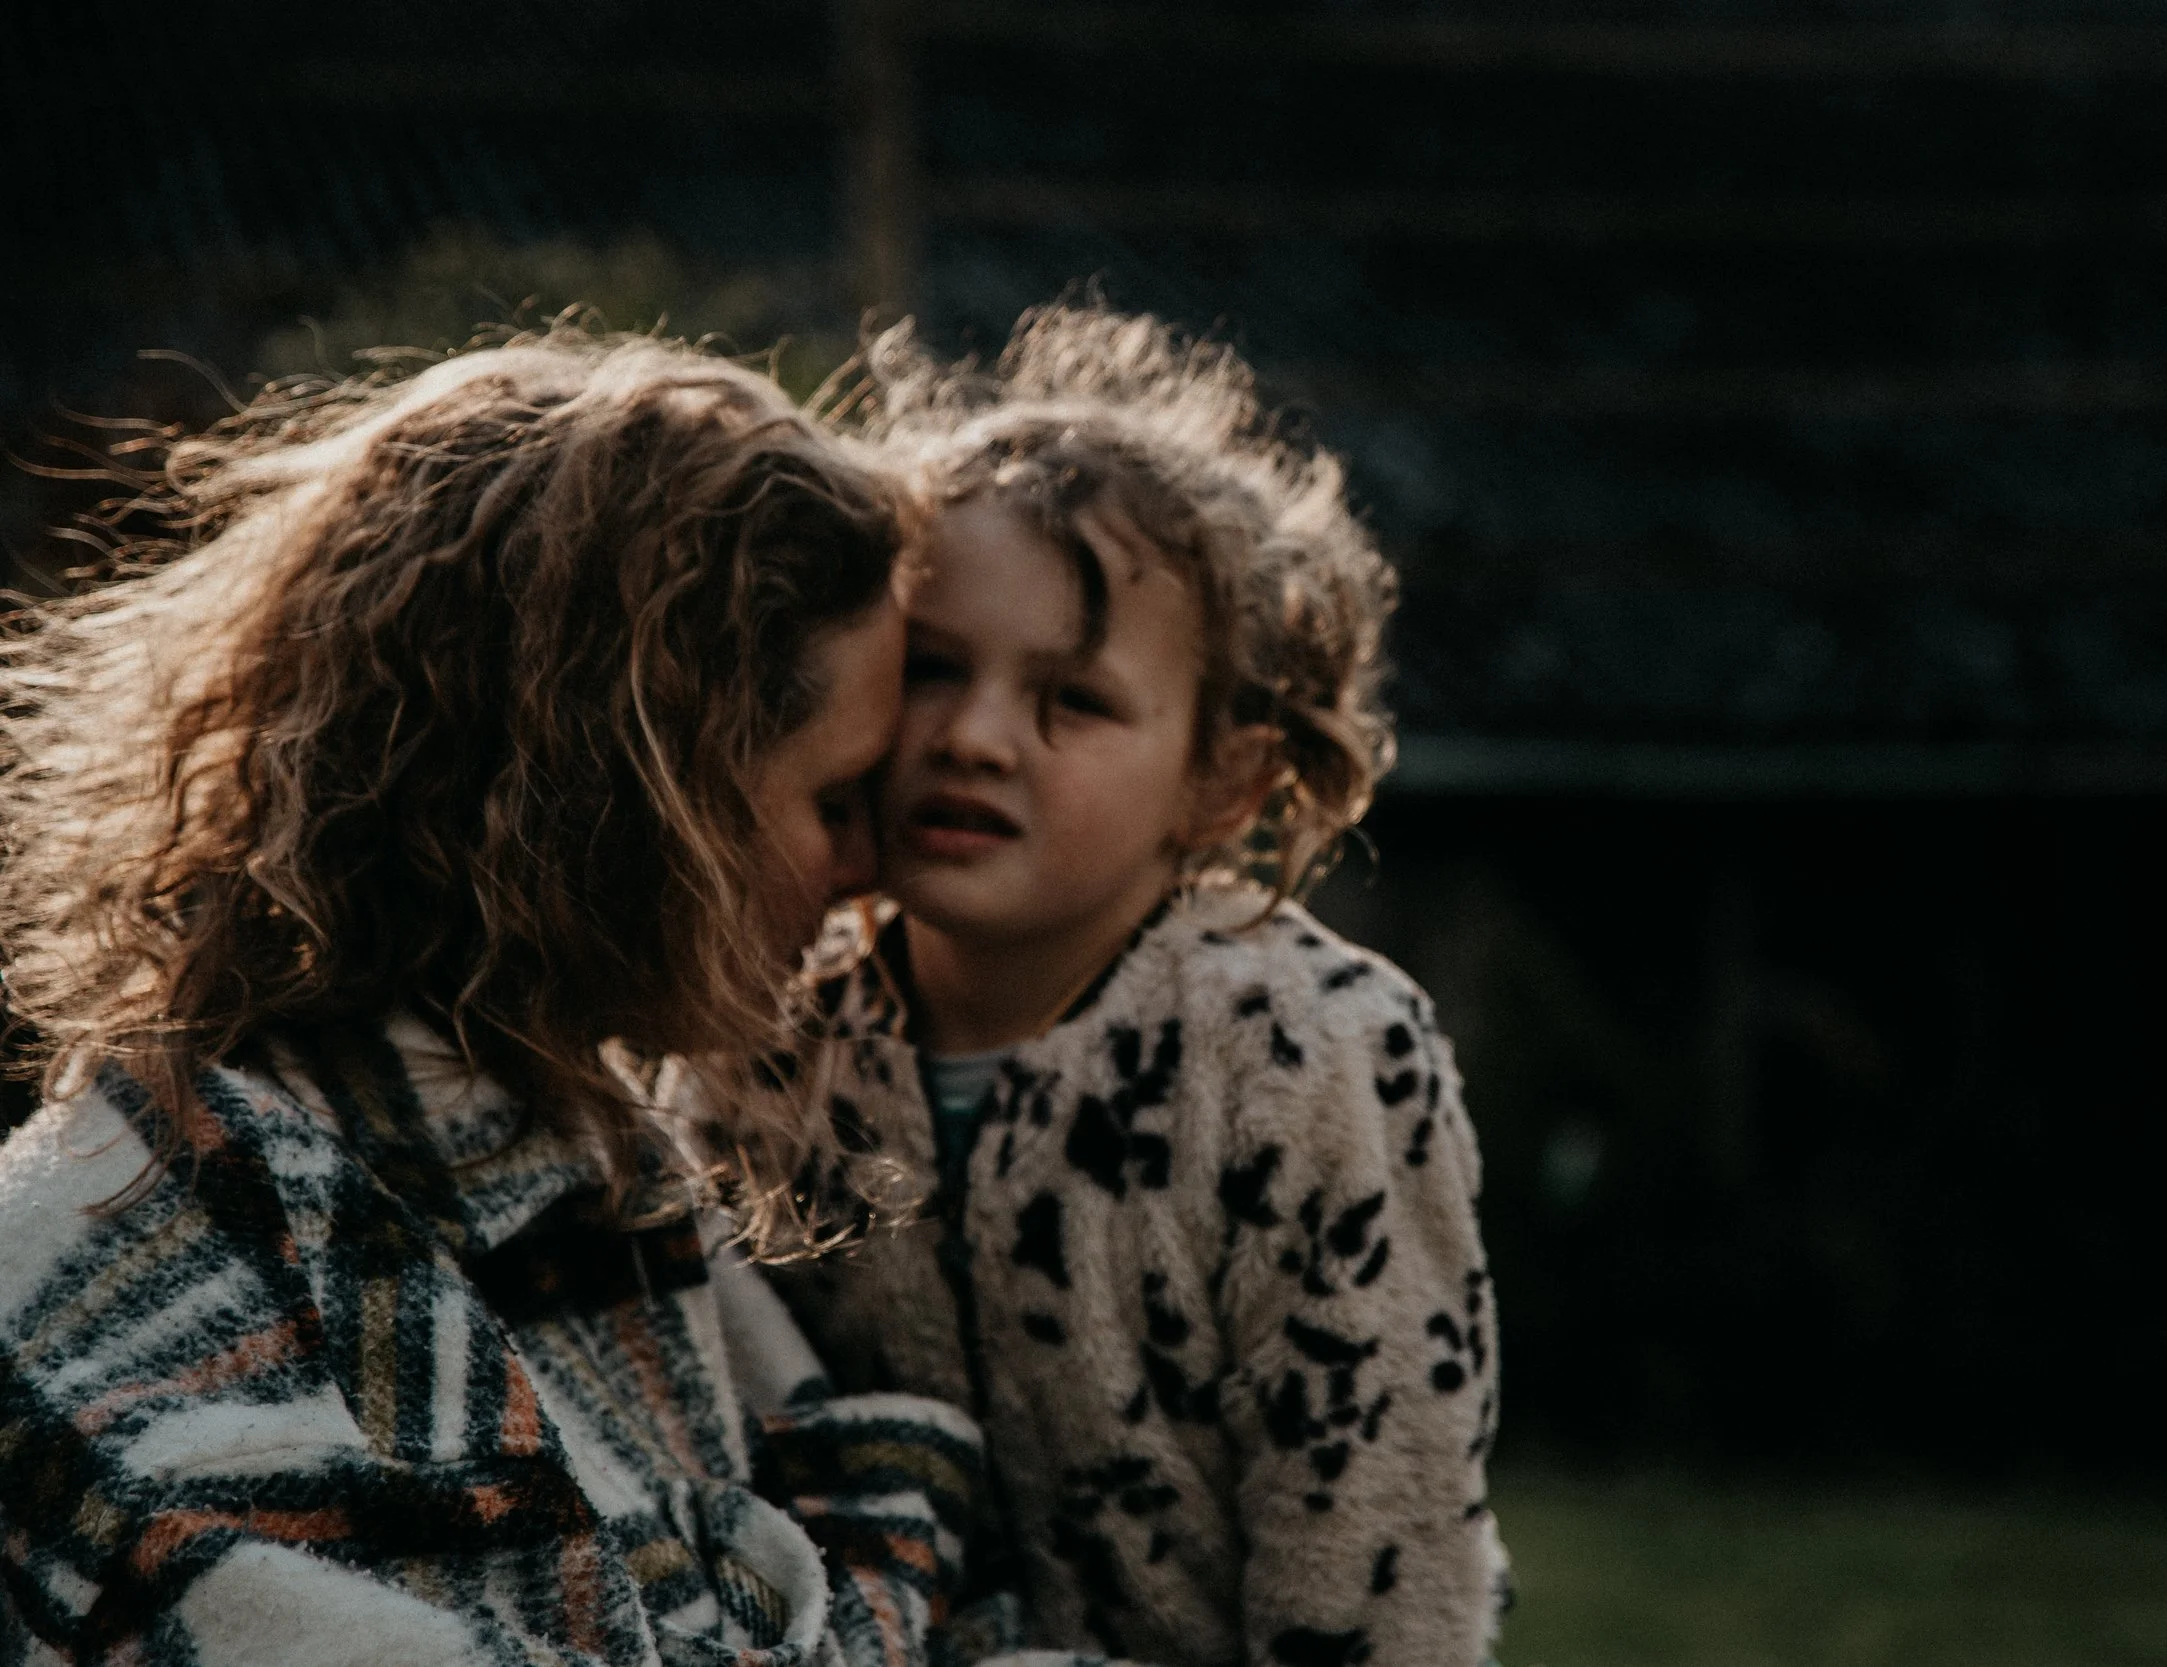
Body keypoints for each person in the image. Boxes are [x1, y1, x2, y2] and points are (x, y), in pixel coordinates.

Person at [0, 332, 1009, 1667]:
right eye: (834, 802)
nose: (867, 869)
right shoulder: (158, 1241)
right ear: (646, 803)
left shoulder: (571, 1142)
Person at [769, 306, 1507, 1667]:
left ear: (1224, 779)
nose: (975, 736)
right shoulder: (773, 1032)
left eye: (1073, 700)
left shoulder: (1312, 1056)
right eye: (935, 668)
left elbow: (1383, 1535)